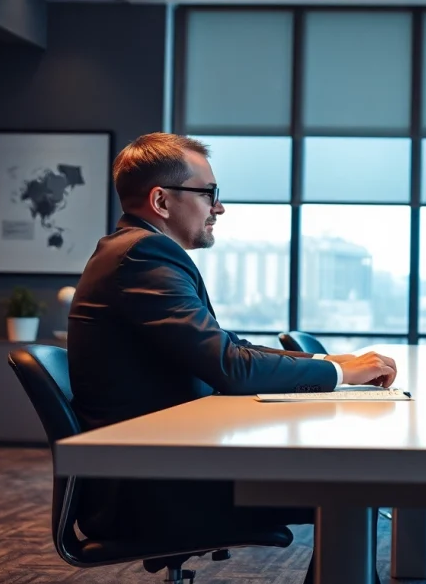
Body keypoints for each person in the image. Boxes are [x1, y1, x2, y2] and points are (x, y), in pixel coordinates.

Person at [68, 132, 398, 552]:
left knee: (341, 477)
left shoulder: (135, 251)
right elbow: (230, 366)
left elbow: (228, 345)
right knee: (349, 484)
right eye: (209, 194)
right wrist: (340, 374)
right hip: (150, 490)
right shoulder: (143, 256)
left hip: (160, 466)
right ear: (161, 201)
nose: (219, 207)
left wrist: (329, 361)